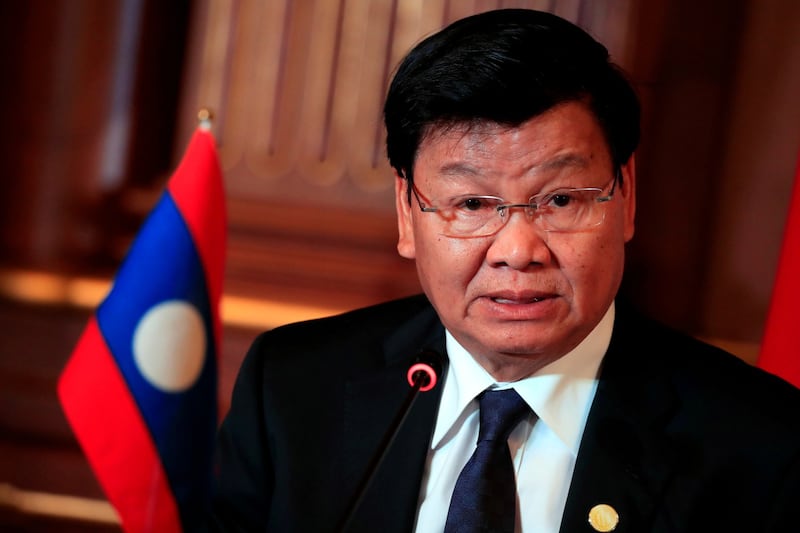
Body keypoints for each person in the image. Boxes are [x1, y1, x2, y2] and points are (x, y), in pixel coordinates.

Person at [206, 8, 800, 532]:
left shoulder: (759, 443)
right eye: (471, 205)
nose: (518, 250)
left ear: (627, 197)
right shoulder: (293, 390)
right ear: (408, 215)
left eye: (561, 200)